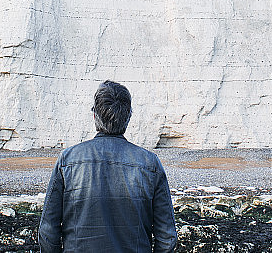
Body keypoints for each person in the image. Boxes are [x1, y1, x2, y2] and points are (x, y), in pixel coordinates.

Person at [38, 80, 178, 253]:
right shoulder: (150, 163)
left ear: (95, 116)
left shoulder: (68, 160)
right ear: (128, 117)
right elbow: (167, 237)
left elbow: (47, 232)